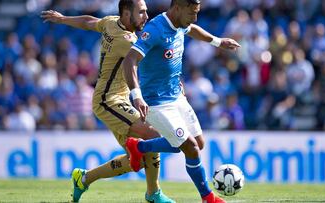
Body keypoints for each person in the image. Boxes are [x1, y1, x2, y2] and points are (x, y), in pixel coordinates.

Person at [41, 1, 176, 203]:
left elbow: (89, 22)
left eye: (146, 11)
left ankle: (84, 178)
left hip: (119, 100)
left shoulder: (111, 22)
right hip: (108, 100)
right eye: (141, 12)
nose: (146, 16)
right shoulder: (127, 40)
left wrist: (63, 19)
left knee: (136, 159)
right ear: (126, 13)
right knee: (152, 134)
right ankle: (153, 193)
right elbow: (153, 62)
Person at [122, 0, 240, 203]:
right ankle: (208, 197)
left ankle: (138, 147)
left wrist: (218, 42)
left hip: (177, 96)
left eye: (197, 13)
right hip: (155, 102)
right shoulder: (156, 29)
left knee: (197, 144)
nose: (194, 18)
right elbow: (129, 61)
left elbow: (191, 29)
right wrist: (137, 96)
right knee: (190, 147)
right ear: (177, 8)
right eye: (192, 13)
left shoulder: (181, 24)